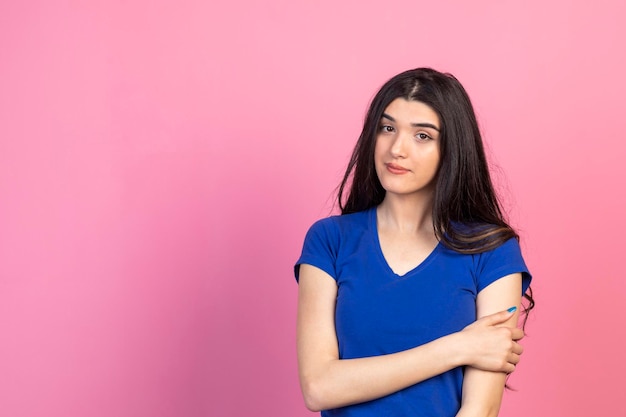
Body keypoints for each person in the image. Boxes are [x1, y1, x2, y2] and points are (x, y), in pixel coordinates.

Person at [294, 68, 534, 417]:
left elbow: (480, 410)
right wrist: (457, 348)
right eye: (387, 128)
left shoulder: (492, 250)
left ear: (452, 149)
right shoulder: (329, 240)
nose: (397, 149)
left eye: (422, 135)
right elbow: (318, 387)